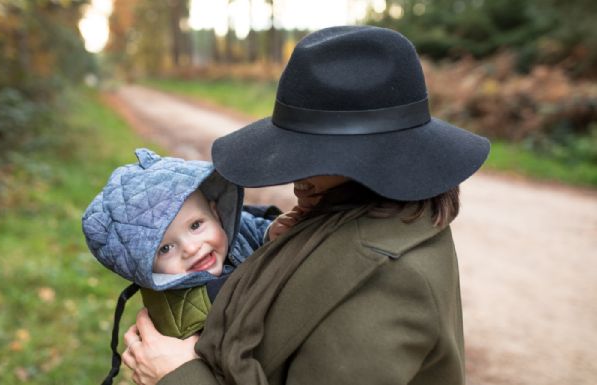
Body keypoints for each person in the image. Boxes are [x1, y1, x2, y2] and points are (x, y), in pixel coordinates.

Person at [120, 25, 491, 385]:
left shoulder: (387, 278)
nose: (296, 181)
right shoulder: (358, 223)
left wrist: (176, 376)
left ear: (370, 160)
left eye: (308, 157)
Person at [81, 148, 299, 384]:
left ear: (215, 213)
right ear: (146, 269)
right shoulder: (186, 314)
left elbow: (248, 226)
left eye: (195, 225)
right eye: (165, 249)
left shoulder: (228, 234)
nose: (192, 248)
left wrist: (269, 233)